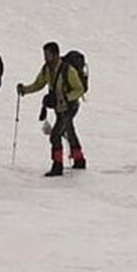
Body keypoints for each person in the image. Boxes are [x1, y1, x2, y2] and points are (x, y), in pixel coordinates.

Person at [17, 42, 85, 177]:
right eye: (44, 55)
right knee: (68, 130)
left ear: (56, 55)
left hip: (70, 107)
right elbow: (38, 84)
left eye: (48, 55)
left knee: (55, 135)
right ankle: (79, 159)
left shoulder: (68, 71)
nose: (45, 58)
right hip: (60, 108)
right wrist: (25, 89)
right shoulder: (46, 70)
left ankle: (57, 165)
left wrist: (66, 97)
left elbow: (80, 89)